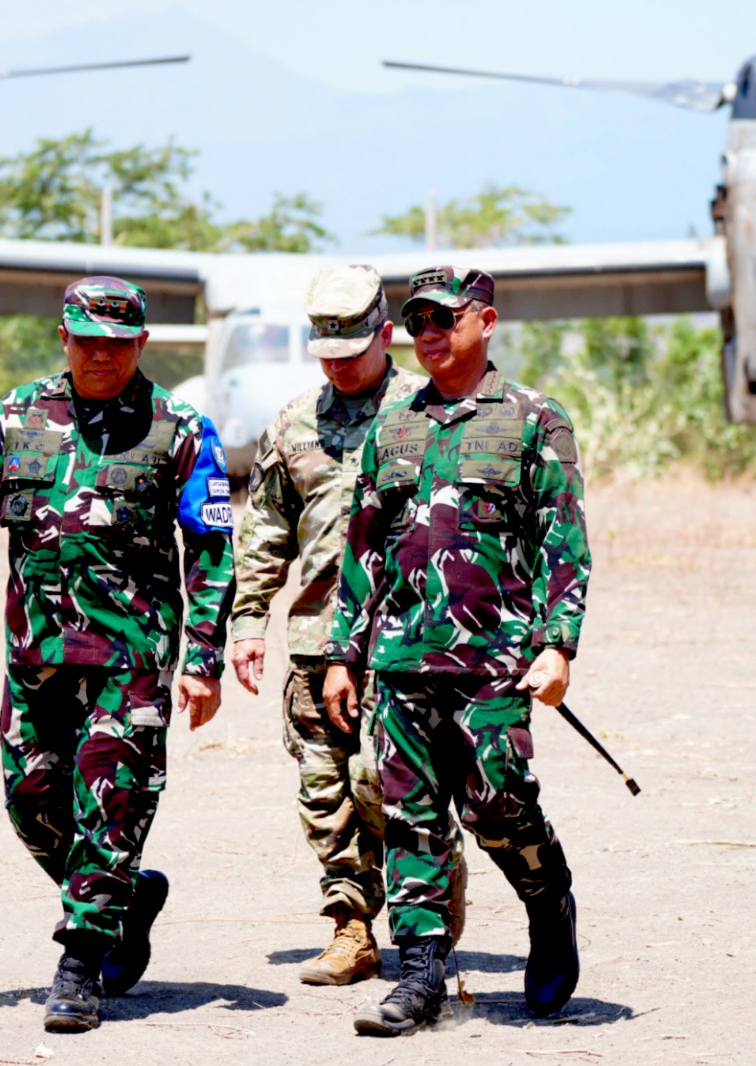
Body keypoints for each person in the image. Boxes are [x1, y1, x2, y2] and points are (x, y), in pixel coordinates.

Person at [0, 276, 236, 1034]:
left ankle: (79, 961)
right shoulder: (15, 416)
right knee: (30, 801)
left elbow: (213, 549)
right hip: (37, 655)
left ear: (141, 344)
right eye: (86, 339)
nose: (100, 354)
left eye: (116, 342)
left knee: (113, 801)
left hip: (131, 659)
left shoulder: (180, 428)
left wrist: (201, 657)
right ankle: (123, 897)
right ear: (62, 337)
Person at [323, 265, 592, 1035]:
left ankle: (548, 902)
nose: (429, 335)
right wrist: (344, 652)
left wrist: (558, 645)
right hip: (403, 657)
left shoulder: (535, 420)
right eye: (417, 323)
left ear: (486, 320)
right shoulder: (393, 427)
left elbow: (563, 545)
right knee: (409, 814)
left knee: (496, 802)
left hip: (496, 659)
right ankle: (420, 973)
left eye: (444, 318)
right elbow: (362, 551)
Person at [230, 265, 467, 987]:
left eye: (351, 352)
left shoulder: (428, 411)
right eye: (325, 354)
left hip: (401, 640)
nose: (337, 365)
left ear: (383, 335)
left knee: (383, 782)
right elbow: (266, 524)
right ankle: (351, 927)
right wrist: (247, 621)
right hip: (314, 635)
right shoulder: (295, 420)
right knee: (322, 786)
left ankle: (429, 891)